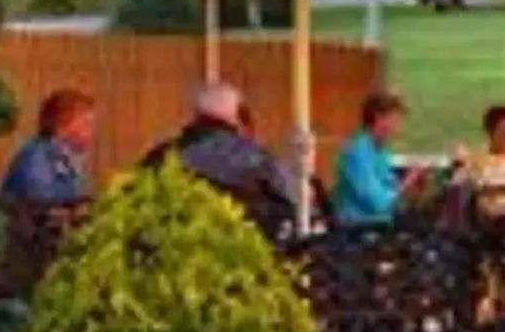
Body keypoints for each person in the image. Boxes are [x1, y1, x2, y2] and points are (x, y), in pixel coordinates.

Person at [148, 80, 300, 240]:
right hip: (248, 254)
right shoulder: (255, 159)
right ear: (237, 116)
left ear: (197, 114)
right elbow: (295, 200)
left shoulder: (161, 156)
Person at [2, 88, 96, 209]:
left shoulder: (62, 158)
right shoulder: (37, 160)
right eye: (86, 123)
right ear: (62, 122)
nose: (91, 132)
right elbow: (43, 208)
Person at [332, 90, 413, 229]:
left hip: (379, 223)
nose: (399, 124)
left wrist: (410, 189)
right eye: (395, 117)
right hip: (358, 228)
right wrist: (406, 185)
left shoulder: (381, 150)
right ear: (378, 116)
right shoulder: (357, 151)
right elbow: (378, 203)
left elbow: (391, 187)